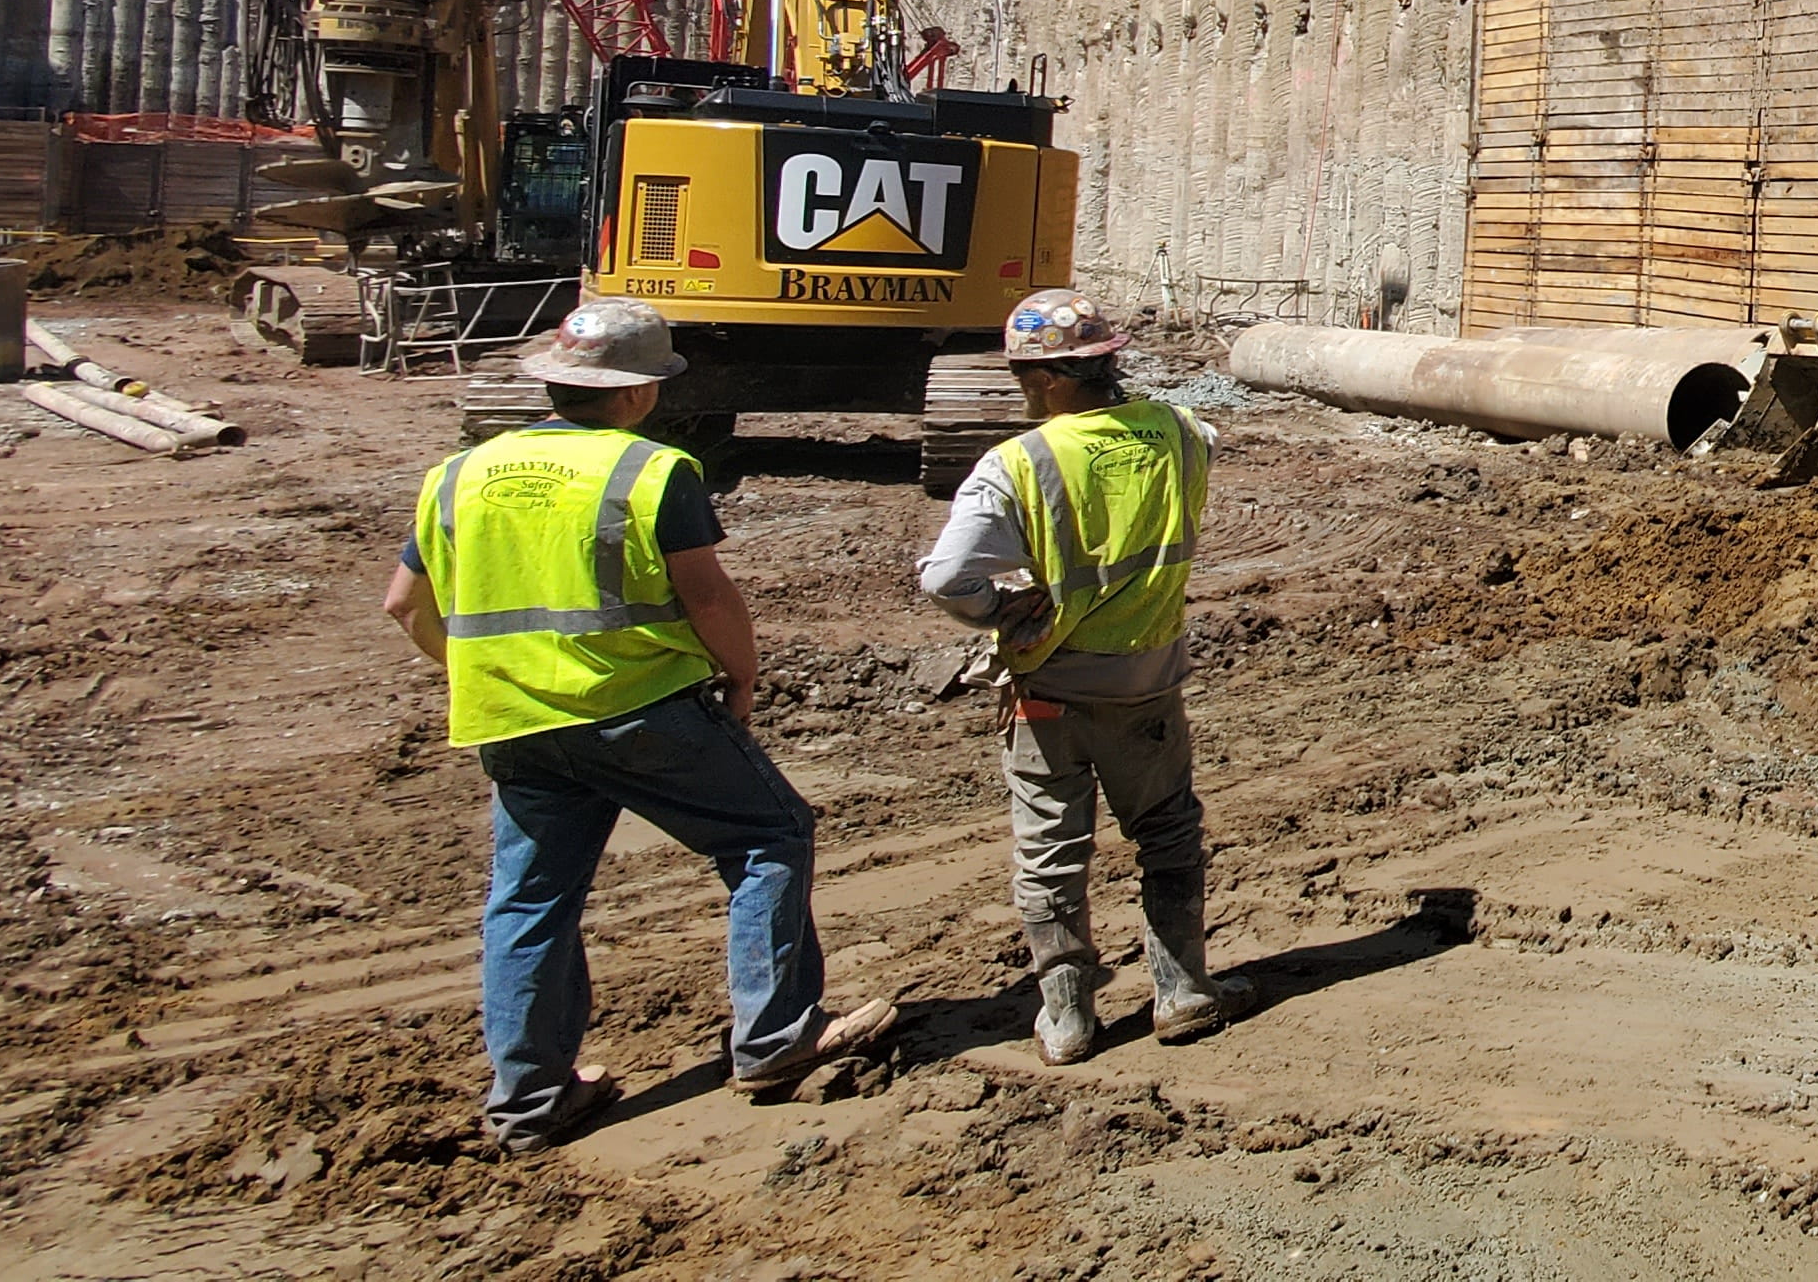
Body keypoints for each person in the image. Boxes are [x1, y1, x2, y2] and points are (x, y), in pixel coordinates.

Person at [383, 299, 891, 1150]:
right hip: (639, 707)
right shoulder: (653, 472)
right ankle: (773, 1041)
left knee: (531, 900)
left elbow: (404, 604)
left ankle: (529, 1099)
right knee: (769, 835)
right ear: (639, 392)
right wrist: (741, 675)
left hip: (511, 721)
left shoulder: (457, 474)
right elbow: (705, 596)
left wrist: (483, 672)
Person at [917, 287, 1245, 1064]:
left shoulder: (1020, 464)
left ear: (1055, 378)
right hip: (1147, 681)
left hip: (1049, 689)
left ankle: (1066, 1018)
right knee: (1166, 833)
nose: (1020, 388)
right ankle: (1183, 992)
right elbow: (1199, 443)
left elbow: (945, 579)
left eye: (1024, 375)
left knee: (1050, 852)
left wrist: (1000, 612)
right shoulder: (1179, 432)